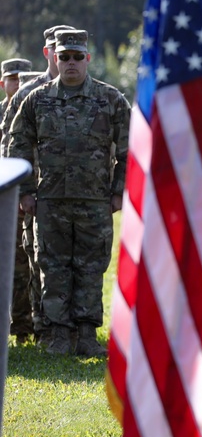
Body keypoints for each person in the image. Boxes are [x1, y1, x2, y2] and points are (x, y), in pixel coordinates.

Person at [9, 30, 130, 357]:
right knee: (53, 268)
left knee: (91, 269)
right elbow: (18, 145)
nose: (71, 63)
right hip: (50, 201)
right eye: (65, 57)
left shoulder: (110, 99)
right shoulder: (37, 99)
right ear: (54, 58)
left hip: (95, 202)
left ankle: (87, 336)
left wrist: (119, 192)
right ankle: (58, 336)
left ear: (87, 58)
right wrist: (25, 191)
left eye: (77, 57)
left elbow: (131, 150)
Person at [1, 24, 74, 347]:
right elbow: (14, 141)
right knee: (33, 260)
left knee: (76, 260)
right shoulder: (31, 92)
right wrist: (23, 187)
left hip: (74, 190)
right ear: (48, 52)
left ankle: (70, 327)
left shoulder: (89, 89)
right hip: (36, 190)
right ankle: (34, 324)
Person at [1, 58, 35, 344]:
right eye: (13, 78)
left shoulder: (36, 106)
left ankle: (28, 325)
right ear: (4, 82)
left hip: (26, 194)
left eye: (22, 78)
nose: (17, 83)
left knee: (28, 260)